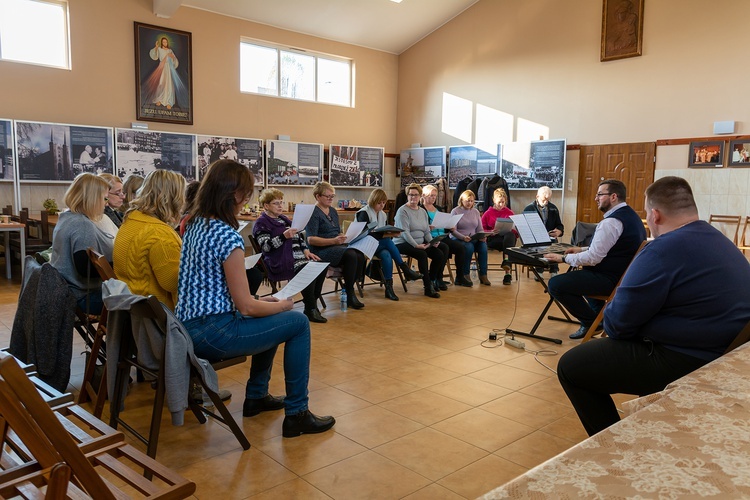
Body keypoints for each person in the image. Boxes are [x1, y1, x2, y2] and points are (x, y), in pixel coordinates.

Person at [557, 176, 750, 436]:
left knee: (572, 366)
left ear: (655, 215)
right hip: (728, 349)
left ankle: (614, 444)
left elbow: (616, 325)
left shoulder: (662, 249)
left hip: (690, 357)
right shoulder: (721, 240)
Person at [176, 159, 334, 437]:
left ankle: (257, 397)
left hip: (187, 327)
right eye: (246, 194)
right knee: (296, 322)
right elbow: (246, 305)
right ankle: (297, 413)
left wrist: (269, 305)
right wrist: (282, 303)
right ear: (236, 195)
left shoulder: (195, 224)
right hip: (215, 331)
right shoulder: (227, 236)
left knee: (274, 318)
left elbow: (223, 290)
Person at [543, 179, 647, 339]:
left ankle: (591, 321)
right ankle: (601, 319)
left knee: (556, 284)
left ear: (613, 197)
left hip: (610, 280)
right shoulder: (631, 216)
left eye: (600, 194)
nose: (596, 198)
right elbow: (612, 248)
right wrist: (580, 249)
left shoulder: (611, 222)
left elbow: (593, 258)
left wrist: (563, 258)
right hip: (623, 277)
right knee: (583, 275)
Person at [253, 188, 328, 323]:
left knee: (321, 265)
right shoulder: (261, 223)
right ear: (266, 205)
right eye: (276, 203)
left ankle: (312, 301)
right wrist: (283, 236)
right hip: (280, 260)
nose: (281, 206)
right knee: (308, 269)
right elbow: (265, 247)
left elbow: (299, 237)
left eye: (282, 202)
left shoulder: (284, 219)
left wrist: (306, 251)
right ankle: (311, 308)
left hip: (298, 256)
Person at [113, 169, 185, 310]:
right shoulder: (160, 234)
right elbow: (175, 283)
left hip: (131, 309)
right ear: (174, 199)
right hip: (158, 315)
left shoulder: (131, 219)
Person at [50, 173, 114, 315]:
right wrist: (118, 265)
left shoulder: (67, 217)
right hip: (81, 297)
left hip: (64, 290)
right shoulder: (83, 224)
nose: (106, 203)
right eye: (104, 198)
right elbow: (85, 270)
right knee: (135, 304)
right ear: (92, 199)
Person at [305, 181, 366, 310]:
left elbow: (336, 231)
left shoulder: (332, 210)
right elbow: (311, 240)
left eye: (333, 196)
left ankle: (348, 287)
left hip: (336, 246)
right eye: (328, 196)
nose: (331, 199)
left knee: (360, 254)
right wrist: (334, 241)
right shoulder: (313, 213)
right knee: (350, 254)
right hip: (321, 249)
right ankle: (349, 293)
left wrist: (343, 235)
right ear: (317, 196)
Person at [356, 188, 422, 301]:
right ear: (373, 201)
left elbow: (381, 231)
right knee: (387, 241)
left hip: (378, 245)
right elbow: (365, 234)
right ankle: (404, 268)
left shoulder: (382, 214)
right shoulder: (363, 212)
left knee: (386, 254)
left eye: (383, 202)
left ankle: (389, 288)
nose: (382, 205)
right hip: (363, 245)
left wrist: (390, 233)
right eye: (379, 203)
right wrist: (387, 235)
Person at [393, 183, 447, 298]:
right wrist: (416, 245)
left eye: (416, 195)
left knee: (439, 254)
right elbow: (405, 232)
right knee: (422, 254)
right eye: (411, 195)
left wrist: (432, 242)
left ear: (420, 196)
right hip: (402, 243)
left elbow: (426, 231)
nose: (413, 197)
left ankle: (432, 280)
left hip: (419, 241)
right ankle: (427, 287)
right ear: (407, 196)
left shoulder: (422, 211)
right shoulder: (402, 211)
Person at [421, 184, 469, 287]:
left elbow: (443, 225)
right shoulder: (421, 209)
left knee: (461, 248)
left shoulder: (438, 208)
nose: (433, 198)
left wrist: (450, 227)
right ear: (424, 196)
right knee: (444, 248)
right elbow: (421, 226)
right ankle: (438, 277)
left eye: (434, 196)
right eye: (431, 195)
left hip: (442, 236)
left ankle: (460, 276)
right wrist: (427, 227)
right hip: (431, 237)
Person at [450, 190, 490, 286]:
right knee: (469, 247)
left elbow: (480, 228)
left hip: (473, 238)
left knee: (483, 247)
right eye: (468, 201)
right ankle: (465, 274)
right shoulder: (455, 211)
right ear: (462, 200)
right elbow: (453, 230)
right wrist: (463, 237)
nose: (470, 203)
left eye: (472, 201)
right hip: (459, 238)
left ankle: (483, 274)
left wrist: (482, 236)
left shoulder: (475, 212)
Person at [524, 186, 564, 276]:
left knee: (554, 243)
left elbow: (559, 225)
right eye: (544, 200)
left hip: (550, 237)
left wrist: (559, 231)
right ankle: (539, 270)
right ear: (537, 196)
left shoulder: (553, 208)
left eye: (548, 200)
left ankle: (554, 270)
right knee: (541, 245)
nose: (546, 202)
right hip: (534, 238)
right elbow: (525, 228)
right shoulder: (529, 209)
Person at [481, 188, 515, 285]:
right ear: (494, 200)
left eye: (503, 202)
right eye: (499, 202)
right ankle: (507, 265)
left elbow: (515, 231)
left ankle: (507, 268)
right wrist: (491, 231)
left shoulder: (509, 213)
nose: (501, 205)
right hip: (493, 239)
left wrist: (511, 229)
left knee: (510, 235)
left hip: (507, 239)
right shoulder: (487, 213)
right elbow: (481, 229)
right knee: (509, 245)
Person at [143, 36, 186, 110]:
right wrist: (156, 47)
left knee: (169, 84)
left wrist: (172, 57)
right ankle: (159, 99)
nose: (165, 43)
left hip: (169, 68)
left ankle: (169, 102)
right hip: (162, 67)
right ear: (161, 42)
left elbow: (174, 59)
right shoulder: (159, 49)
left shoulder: (170, 50)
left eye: (166, 42)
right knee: (161, 83)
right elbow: (154, 56)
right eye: (163, 42)